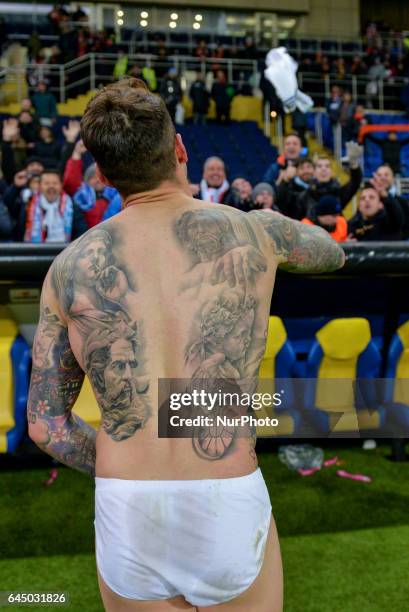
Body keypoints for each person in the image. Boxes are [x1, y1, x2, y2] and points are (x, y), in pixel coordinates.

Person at [27, 77, 344, 612]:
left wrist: (118, 455)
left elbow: (46, 425)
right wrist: (274, 224)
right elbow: (331, 254)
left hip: (128, 498)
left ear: (103, 176)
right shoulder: (255, 232)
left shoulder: (70, 268)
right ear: (179, 150)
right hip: (224, 485)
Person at [63, 139, 121, 228]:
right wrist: (77, 153)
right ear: (86, 181)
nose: (98, 180)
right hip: (86, 239)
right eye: (93, 177)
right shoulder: (81, 195)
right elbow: (71, 180)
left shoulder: (116, 196)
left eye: (102, 177)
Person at [297, 148, 362, 219]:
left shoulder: (339, 193)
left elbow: (355, 182)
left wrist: (354, 165)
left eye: (327, 166)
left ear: (332, 171)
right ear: (314, 172)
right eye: (319, 166)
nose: (323, 169)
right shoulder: (304, 196)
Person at [24, 169, 87, 242]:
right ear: (40, 186)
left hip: (67, 250)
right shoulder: (29, 206)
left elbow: (82, 232)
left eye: (55, 183)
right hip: (34, 251)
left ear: (61, 185)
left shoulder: (72, 206)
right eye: (46, 183)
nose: (51, 186)